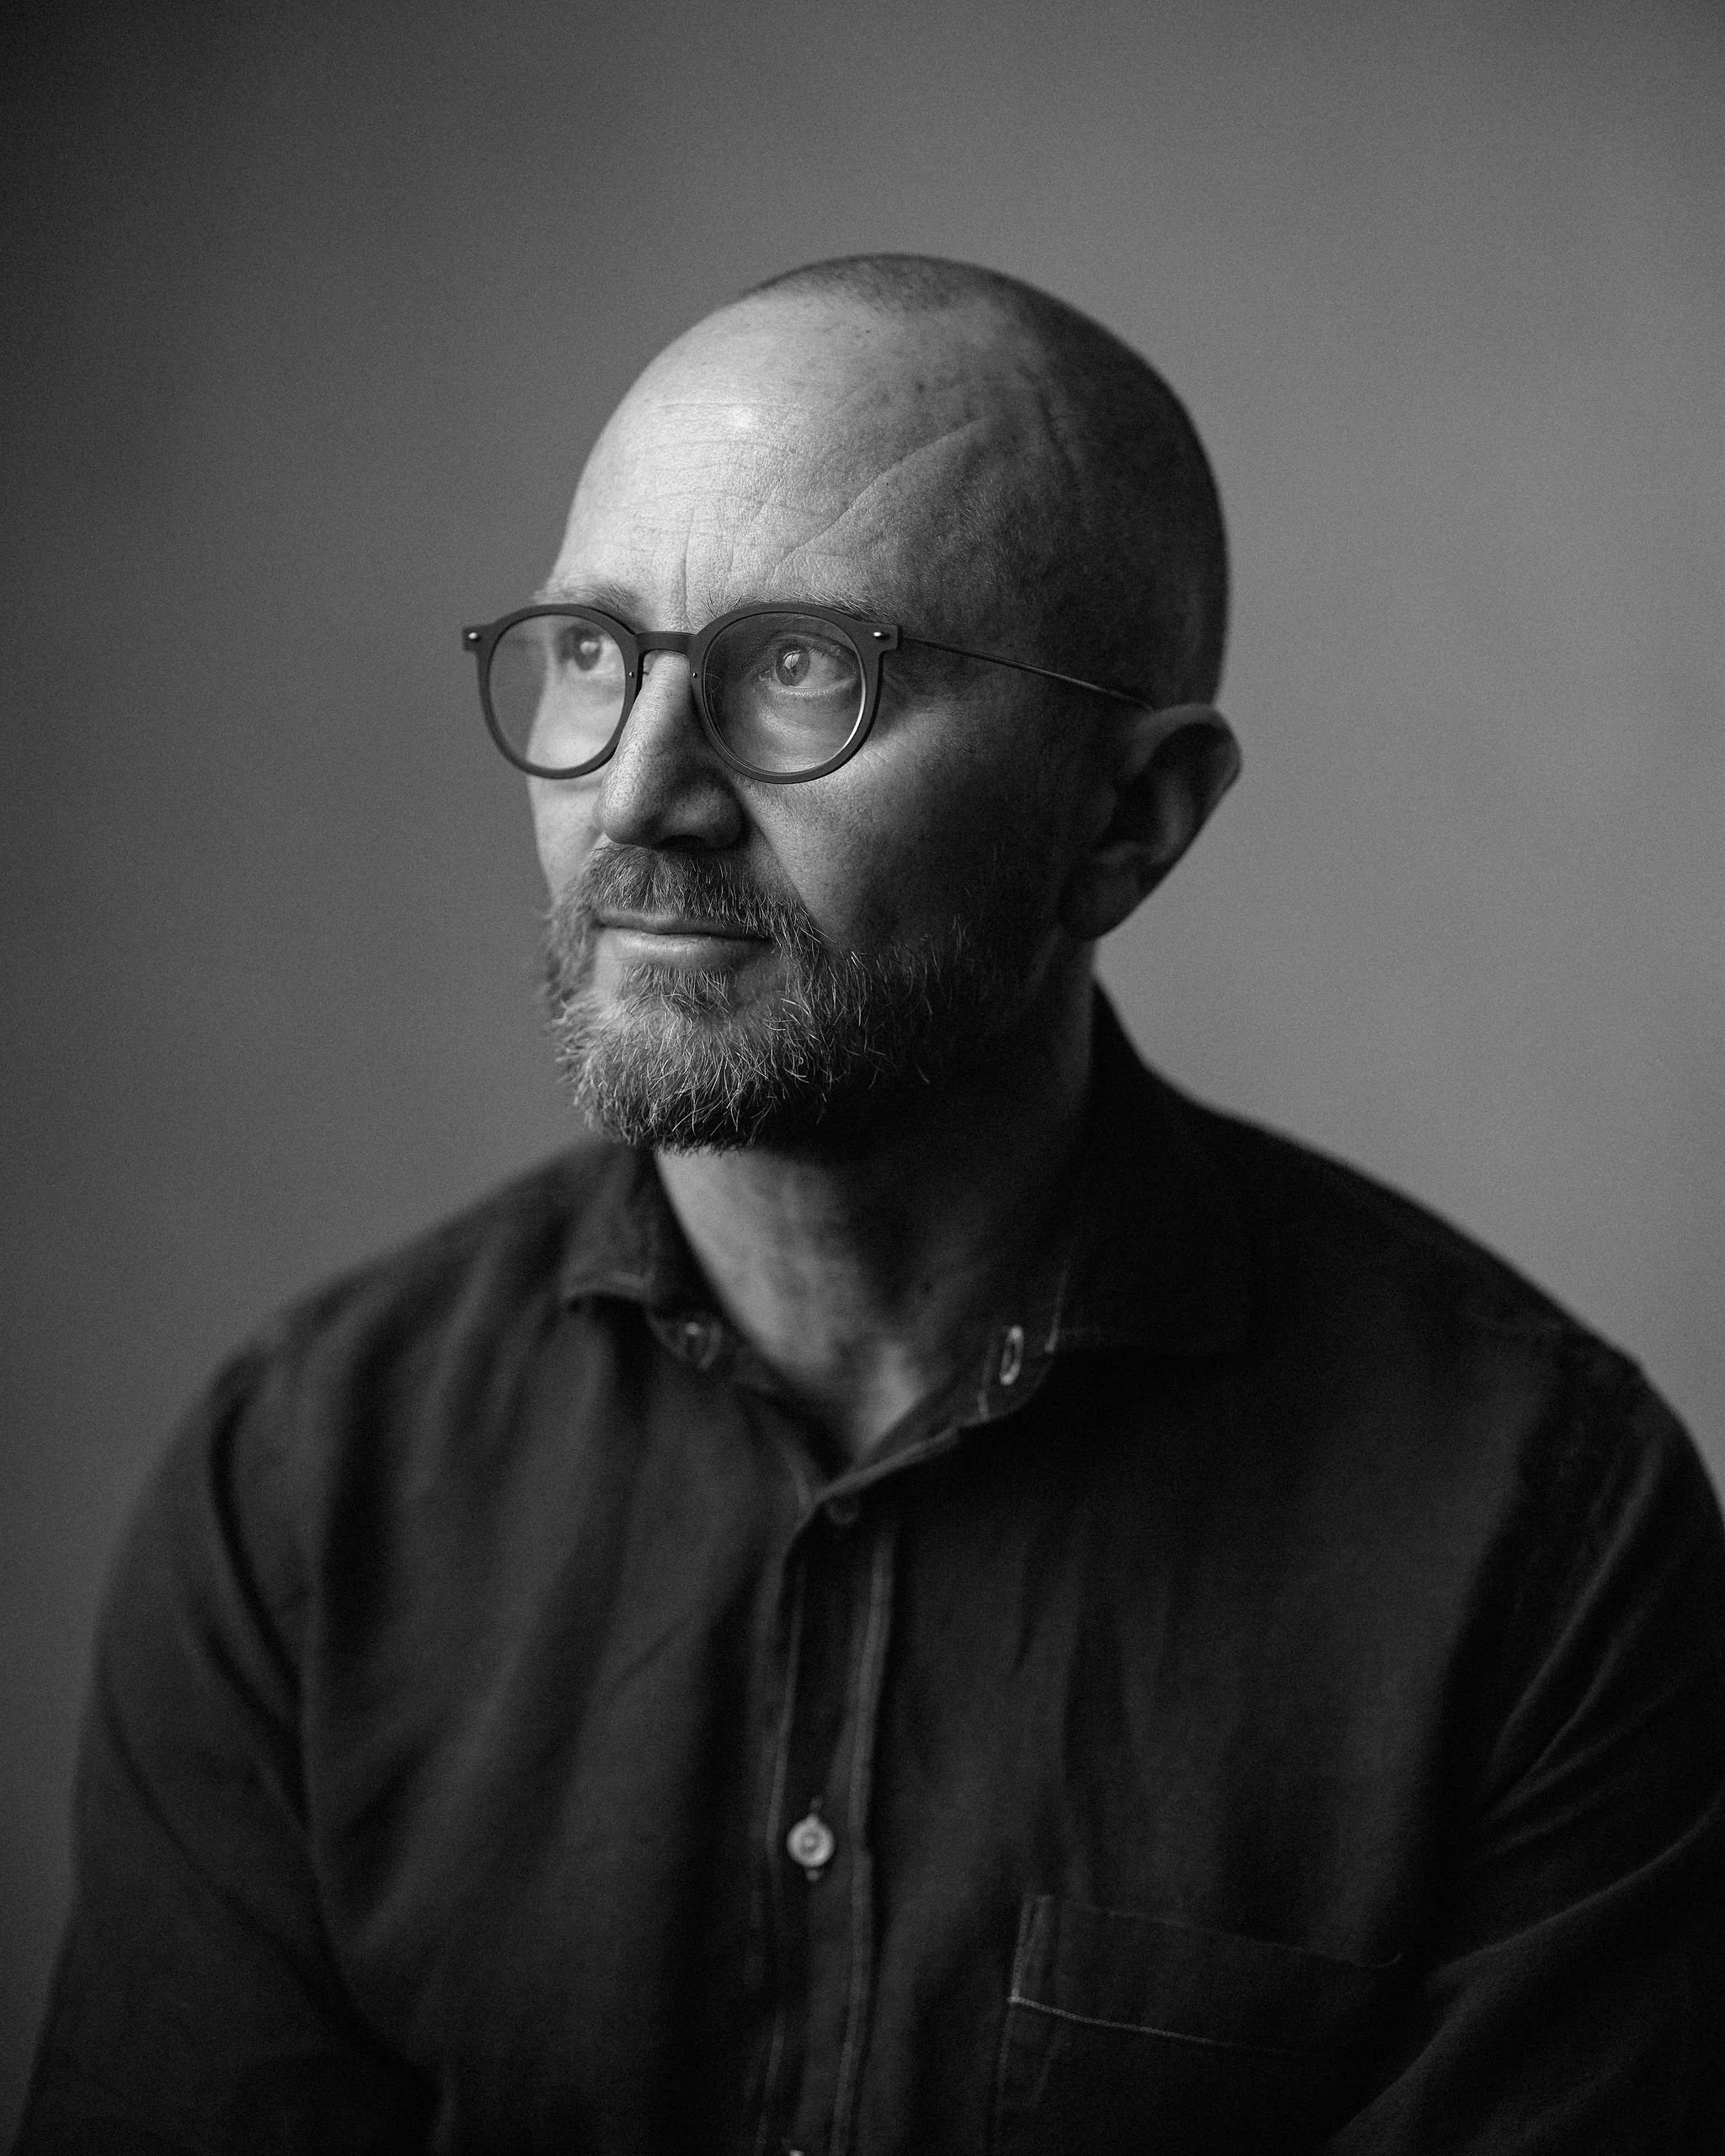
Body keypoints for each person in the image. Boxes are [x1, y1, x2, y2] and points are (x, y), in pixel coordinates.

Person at [17, 255, 1724, 2155]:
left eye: (804, 669)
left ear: (1128, 821)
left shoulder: (1537, 1537)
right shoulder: (301, 1497)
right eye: (591, 651)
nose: (637, 795)